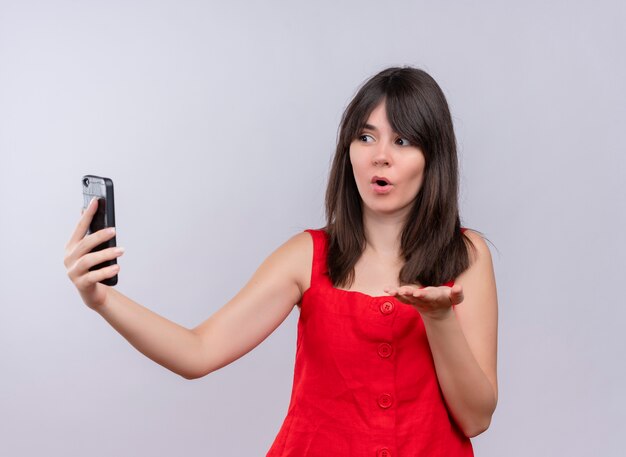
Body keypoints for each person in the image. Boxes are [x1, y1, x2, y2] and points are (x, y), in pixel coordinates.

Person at [64, 66, 498, 456]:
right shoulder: (306, 255)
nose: (379, 155)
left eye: (402, 141)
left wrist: (440, 320)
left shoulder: (467, 256)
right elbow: (197, 353)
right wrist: (100, 299)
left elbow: (475, 419)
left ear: (432, 158)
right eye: (365, 137)